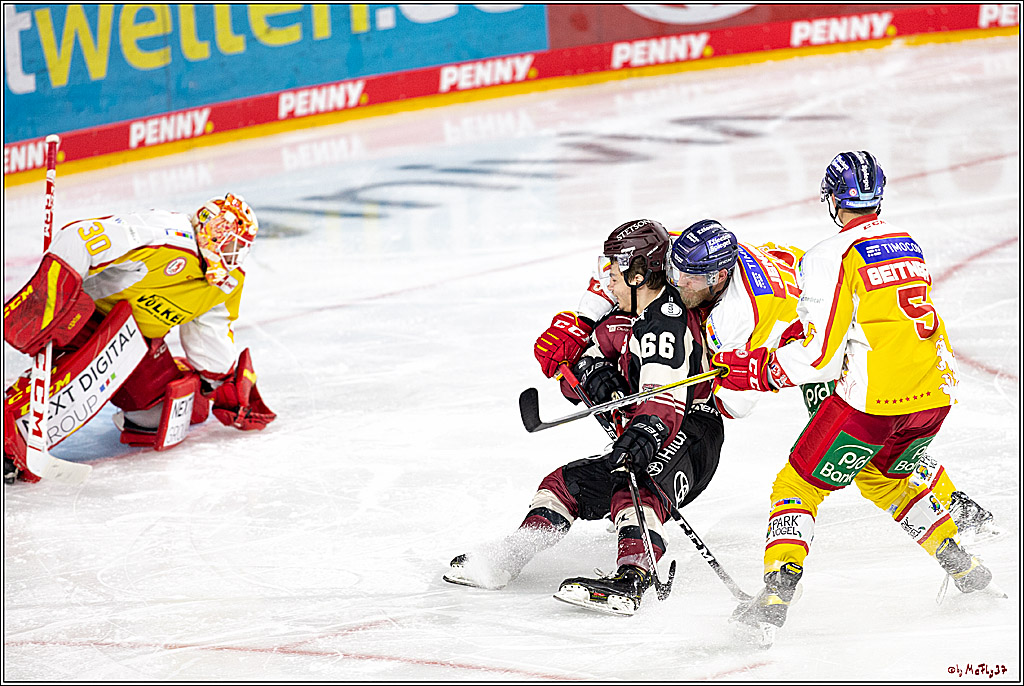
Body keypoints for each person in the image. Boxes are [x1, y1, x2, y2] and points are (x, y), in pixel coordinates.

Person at [534, 221, 997, 543]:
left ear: (715, 277)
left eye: (685, 277)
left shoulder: (736, 317)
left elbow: (734, 405)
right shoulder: (693, 256)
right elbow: (639, 264)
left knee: (858, 442)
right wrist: (579, 320)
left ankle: (949, 502)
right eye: (672, 269)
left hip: (823, 351)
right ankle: (950, 501)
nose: (674, 280)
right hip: (820, 314)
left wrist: (679, 387)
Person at [711, 151, 998, 646]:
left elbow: (819, 359)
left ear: (831, 199)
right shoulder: (907, 243)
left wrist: (752, 368)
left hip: (872, 403)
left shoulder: (830, 254)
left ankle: (777, 595)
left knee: (797, 485)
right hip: (934, 396)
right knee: (888, 481)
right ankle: (965, 566)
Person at [444, 219, 724, 615]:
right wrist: (589, 374)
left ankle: (632, 579)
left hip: (691, 434)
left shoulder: (667, 320)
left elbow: (665, 402)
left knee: (634, 488)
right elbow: (581, 369)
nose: (606, 279)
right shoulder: (622, 317)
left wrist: (644, 434)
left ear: (638, 273)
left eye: (612, 269)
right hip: (646, 431)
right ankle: (510, 556)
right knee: (564, 484)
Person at [4, 193, 276, 484]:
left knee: (162, 417)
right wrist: (49, 299)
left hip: (136, 342)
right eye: (233, 245)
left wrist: (222, 382)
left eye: (241, 249)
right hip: (88, 320)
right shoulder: (164, 234)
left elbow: (210, 329)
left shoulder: (227, 281)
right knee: (82, 379)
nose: (235, 256)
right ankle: (11, 428)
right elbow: (78, 238)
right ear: (215, 229)